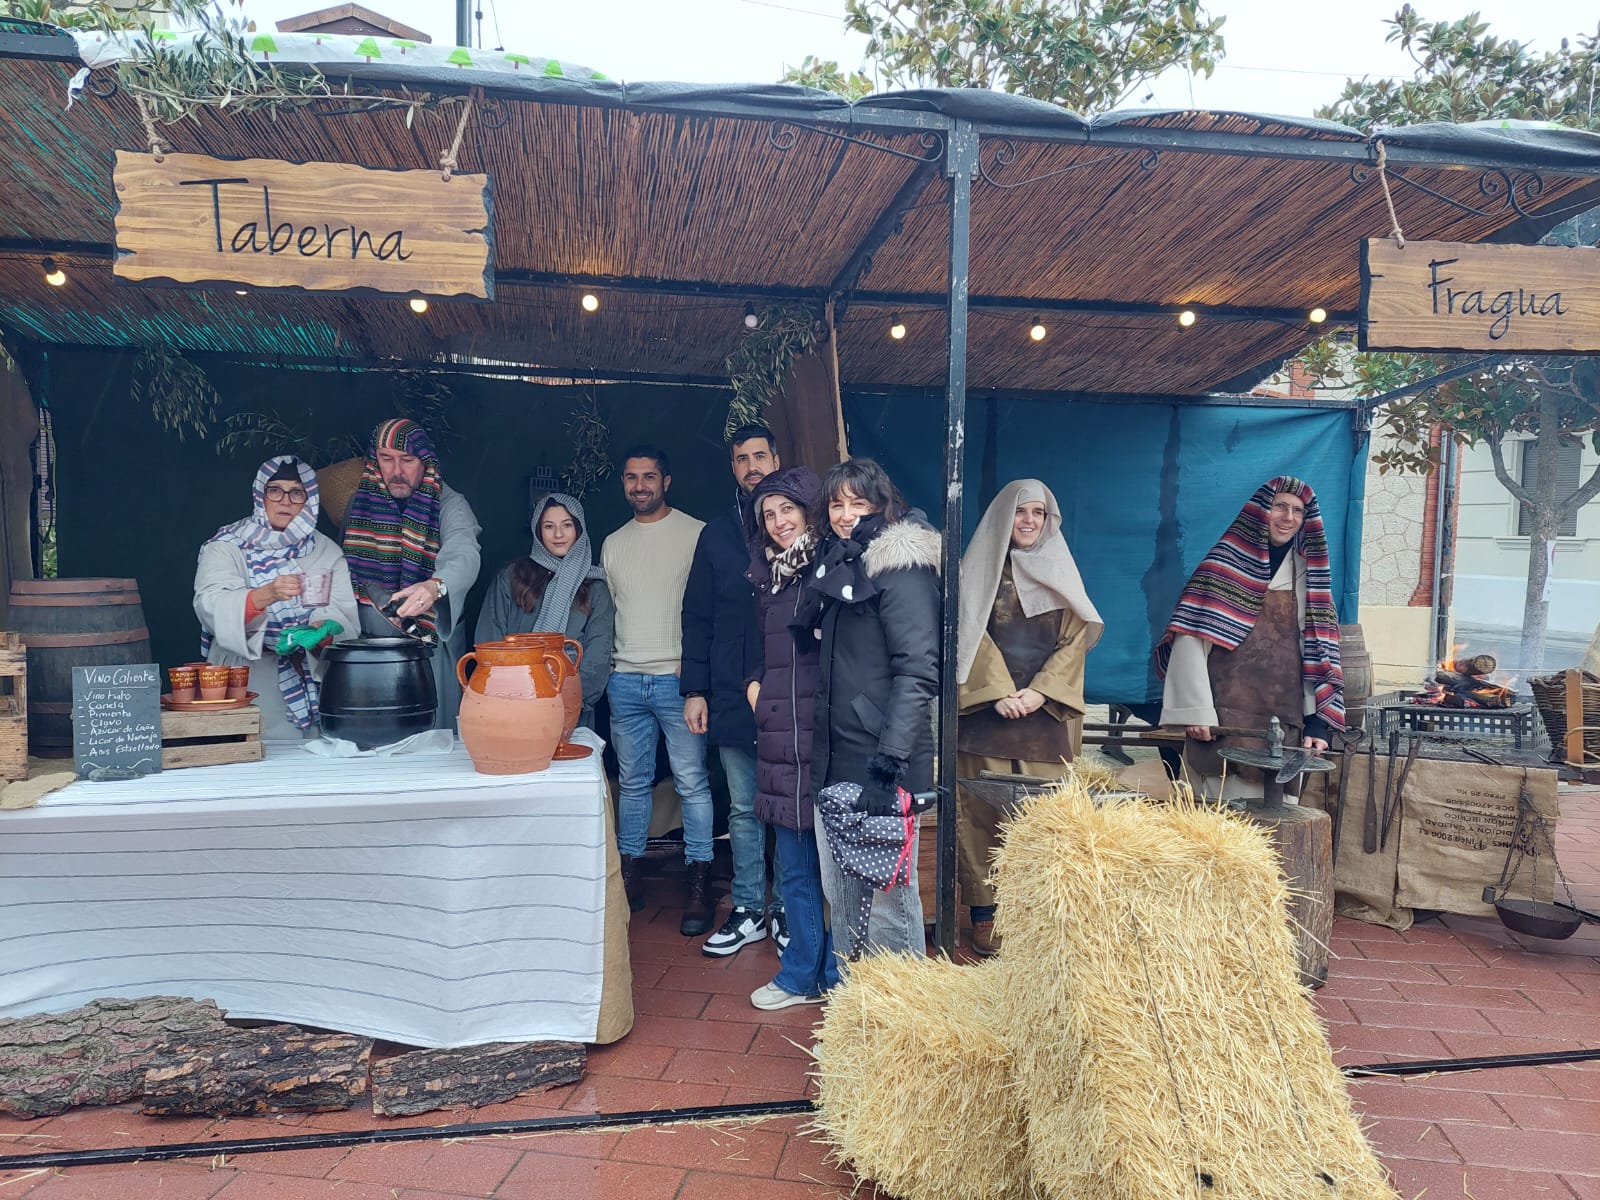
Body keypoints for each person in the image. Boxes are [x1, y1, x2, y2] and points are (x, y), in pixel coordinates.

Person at [955, 479, 1103, 957]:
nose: (1029, 521)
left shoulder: (1061, 571)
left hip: (1044, 722)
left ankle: (1036, 917)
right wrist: (998, 692)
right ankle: (985, 917)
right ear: (1004, 518)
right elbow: (966, 634)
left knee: (1042, 821)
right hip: (985, 717)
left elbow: (1074, 639)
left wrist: (1039, 693)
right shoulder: (976, 572)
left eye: (1039, 513)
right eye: (1021, 512)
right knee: (980, 820)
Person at [805, 457, 940, 961]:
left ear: (882, 505)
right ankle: (856, 1022)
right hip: (837, 759)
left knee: (889, 907)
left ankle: (902, 1030)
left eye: (857, 503)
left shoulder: (900, 567)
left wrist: (889, 767)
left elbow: (918, 671)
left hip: (882, 765)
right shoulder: (842, 563)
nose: (845, 514)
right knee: (843, 903)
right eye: (836, 504)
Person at [1156, 475, 1344, 801]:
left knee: (1275, 814)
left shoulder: (1309, 580)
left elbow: (1315, 653)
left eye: (1297, 511)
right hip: (1223, 720)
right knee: (1217, 810)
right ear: (1260, 511)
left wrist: (1315, 723)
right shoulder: (1220, 569)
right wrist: (1196, 712)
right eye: (1280, 507)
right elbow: (1190, 642)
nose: (1288, 517)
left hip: (1283, 721)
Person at [601, 446, 717, 936]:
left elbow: (709, 611)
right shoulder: (612, 543)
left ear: (667, 481)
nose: (640, 486)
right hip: (623, 679)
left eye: (649, 477)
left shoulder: (696, 534)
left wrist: (698, 682)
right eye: (631, 477)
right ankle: (630, 876)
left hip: (677, 679)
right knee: (631, 783)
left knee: (691, 781)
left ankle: (699, 881)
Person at [682, 423, 783, 959]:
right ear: (733, 467)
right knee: (743, 807)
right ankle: (749, 908)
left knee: (789, 803)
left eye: (759, 456)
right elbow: (696, 615)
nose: (751, 467)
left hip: (789, 689)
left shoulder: (795, 525)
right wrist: (694, 688)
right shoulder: (716, 534)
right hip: (726, 688)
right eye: (741, 458)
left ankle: (790, 907)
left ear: (777, 458)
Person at [743, 467, 836, 1008]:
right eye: (768, 515)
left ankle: (838, 976)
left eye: (787, 510)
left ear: (808, 509)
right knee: (795, 867)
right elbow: (753, 644)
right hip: (781, 734)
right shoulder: (767, 578)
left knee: (839, 873)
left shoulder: (831, 566)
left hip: (827, 739)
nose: (779, 522)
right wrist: (754, 686)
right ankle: (801, 973)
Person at [194, 456, 359, 743]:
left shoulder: (325, 550)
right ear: (260, 494)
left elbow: (343, 612)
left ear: (309, 499)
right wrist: (266, 594)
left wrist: (321, 630)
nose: (285, 501)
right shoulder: (226, 546)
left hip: (309, 675)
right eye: (275, 490)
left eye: (297, 492)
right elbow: (209, 605)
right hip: (245, 678)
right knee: (248, 760)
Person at [342, 418, 481, 731]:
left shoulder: (450, 505)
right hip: (368, 648)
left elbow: (465, 555)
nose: (396, 470)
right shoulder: (359, 504)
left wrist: (434, 588)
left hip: (426, 649)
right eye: (386, 459)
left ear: (426, 462)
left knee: (431, 738)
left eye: (407, 460)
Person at [475, 491, 614, 730]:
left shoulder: (595, 588)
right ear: (538, 532)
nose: (558, 534)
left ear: (579, 530)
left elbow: (597, 658)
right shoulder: (512, 577)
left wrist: (569, 701)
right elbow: (489, 640)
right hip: (512, 705)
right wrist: (514, 695)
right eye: (549, 526)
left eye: (567, 525)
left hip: (571, 710)